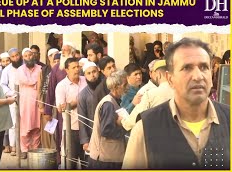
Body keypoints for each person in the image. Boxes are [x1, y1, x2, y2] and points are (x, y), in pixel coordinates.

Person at [123, 38, 230, 169]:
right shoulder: (145, 128)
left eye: (204, 67)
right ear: (170, 78)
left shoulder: (228, 118)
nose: (198, 76)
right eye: (187, 68)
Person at [88, 70, 127, 169]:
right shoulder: (108, 104)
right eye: (124, 84)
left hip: (109, 157)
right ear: (116, 87)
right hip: (105, 160)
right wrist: (123, 126)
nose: (127, 87)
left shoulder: (113, 101)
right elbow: (107, 131)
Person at [121, 60, 174, 131]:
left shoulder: (150, 94)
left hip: (157, 134)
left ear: (159, 74)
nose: (139, 77)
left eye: (140, 74)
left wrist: (124, 122)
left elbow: (132, 120)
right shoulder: (180, 92)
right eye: (135, 74)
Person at [55, 57, 87, 169]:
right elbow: (61, 108)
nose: (77, 69)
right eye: (73, 67)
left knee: (86, 162)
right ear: (67, 70)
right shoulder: (61, 86)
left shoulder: (85, 80)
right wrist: (78, 101)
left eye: (78, 67)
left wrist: (71, 103)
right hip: (71, 128)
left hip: (87, 128)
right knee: (71, 162)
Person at [16, 47, 42, 159]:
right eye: (26, 56)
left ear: (33, 56)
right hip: (25, 103)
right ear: (23, 58)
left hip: (37, 102)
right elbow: (25, 80)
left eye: (30, 55)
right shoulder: (20, 70)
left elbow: (40, 81)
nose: (28, 57)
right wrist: (36, 81)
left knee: (37, 126)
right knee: (25, 127)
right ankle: (25, 149)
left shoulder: (40, 68)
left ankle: (35, 149)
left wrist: (36, 82)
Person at [0, 48, 23, 156]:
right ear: (10, 58)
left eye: (17, 55)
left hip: (26, 99)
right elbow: (3, 84)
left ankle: (23, 147)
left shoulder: (25, 66)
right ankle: (14, 146)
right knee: (13, 124)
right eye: (13, 56)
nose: (16, 58)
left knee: (24, 123)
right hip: (13, 99)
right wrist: (11, 94)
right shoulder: (7, 70)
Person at [37, 48, 59, 149]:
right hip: (46, 104)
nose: (54, 57)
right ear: (48, 57)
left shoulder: (61, 70)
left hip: (57, 104)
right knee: (47, 130)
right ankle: (47, 152)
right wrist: (41, 105)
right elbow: (40, 88)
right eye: (52, 55)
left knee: (56, 131)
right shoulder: (44, 70)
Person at [77, 61, 101, 156]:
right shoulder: (83, 95)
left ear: (98, 72)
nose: (92, 75)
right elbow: (82, 118)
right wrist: (85, 141)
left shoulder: (106, 89)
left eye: (94, 72)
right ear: (85, 76)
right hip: (92, 134)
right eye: (89, 73)